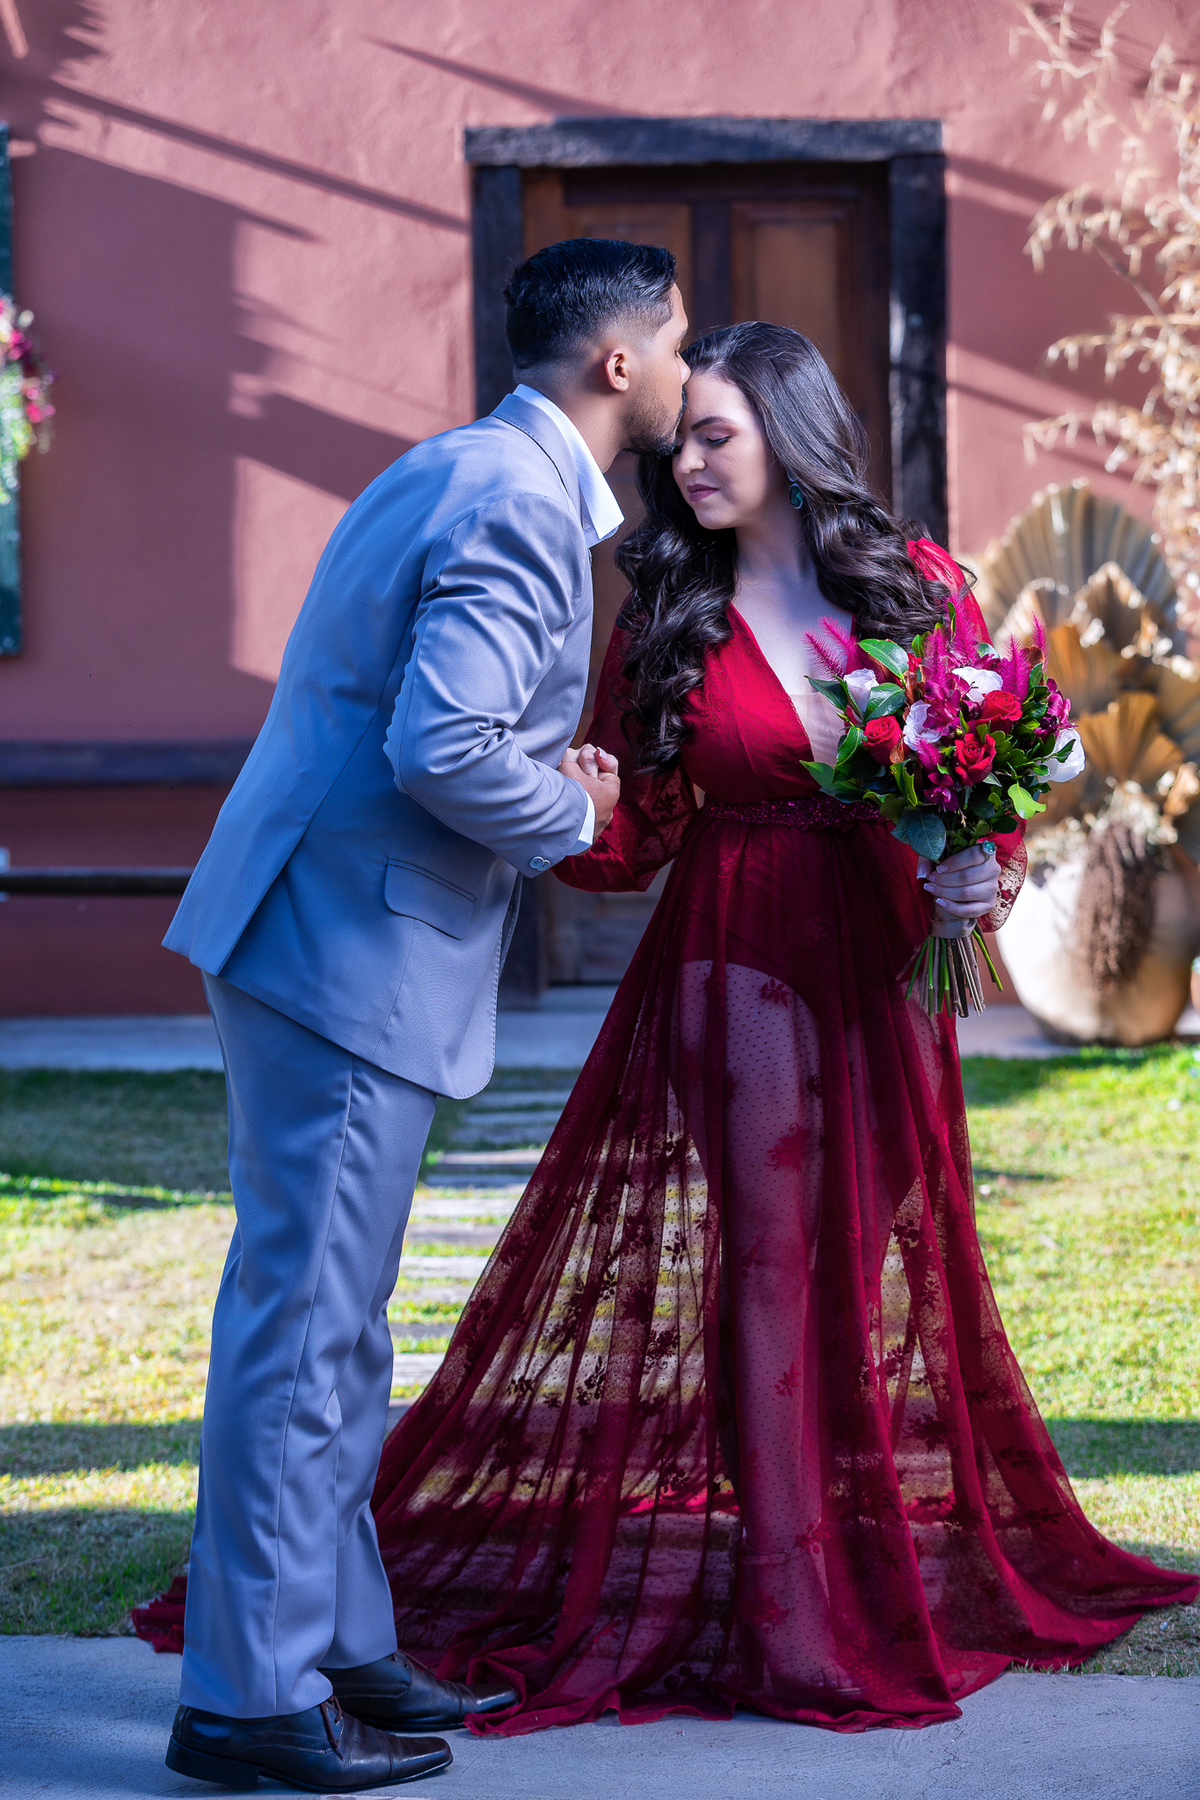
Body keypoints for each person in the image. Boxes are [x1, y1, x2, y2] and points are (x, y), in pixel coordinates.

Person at [370, 321, 1198, 1734]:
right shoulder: (668, 617)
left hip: (886, 962)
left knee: (858, 1253)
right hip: (736, 948)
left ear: (790, 436)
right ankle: (787, 1604)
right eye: (681, 439)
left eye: (716, 435)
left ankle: (831, 1549)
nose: (687, 462)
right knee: (768, 1261)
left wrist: (980, 874)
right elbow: (636, 837)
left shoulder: (917, 585)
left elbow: (987, 792)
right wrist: (557, 799)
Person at [156, 238, 690, 1790]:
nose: (684, 366)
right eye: (675, 342)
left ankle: (334, 1639)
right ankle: (248, 1699)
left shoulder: (460, 463)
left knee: (333, 1316)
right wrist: (577, 815)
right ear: (616, 363)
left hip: (314, 925)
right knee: (306, 1326)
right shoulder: (518, 505)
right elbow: (443, 746)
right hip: (343, 946)